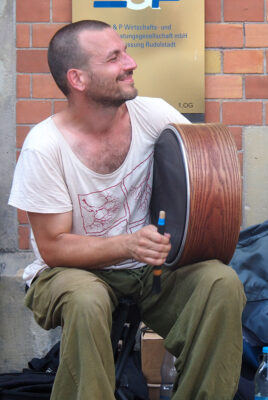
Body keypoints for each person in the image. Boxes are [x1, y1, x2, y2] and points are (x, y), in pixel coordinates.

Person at [8, 20, 246, 400]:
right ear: (78, 79)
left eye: (126, 52)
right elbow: (53, 248)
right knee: (87, 300)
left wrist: (188, 231)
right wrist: (129, 245)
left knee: (220, 282)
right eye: (114, 57)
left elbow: (208, 172)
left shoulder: (153, 114)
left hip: (149, 269)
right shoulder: (44, 146)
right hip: (68, 273)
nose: (131, 63)